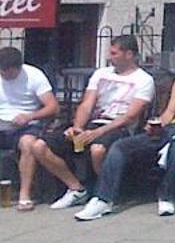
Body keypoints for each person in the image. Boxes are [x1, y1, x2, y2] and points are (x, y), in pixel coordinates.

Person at [75, 44, 175, 220]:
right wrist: (157, 124)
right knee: (121, 146)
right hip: (173, 127)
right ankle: (103, 199)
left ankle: (167, 196)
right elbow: (170, 112)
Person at [46, 35, 155, 208]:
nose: (109, 56)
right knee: (40, 145)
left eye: (114, 53)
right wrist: (77, 127)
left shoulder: (144, 80)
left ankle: (103, 193)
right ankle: (76, 188)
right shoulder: (101, 73)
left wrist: (97, 133)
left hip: (119, 127)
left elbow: (130, 117)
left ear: (129, 54)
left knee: (97, 149)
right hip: (93, 124)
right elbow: (87, 104)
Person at [1, 46, 60, 210]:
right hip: (2, 121)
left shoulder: (34, 76)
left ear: (18, 68)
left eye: (8, 71)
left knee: (27, 144)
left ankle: (24, 194)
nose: (4, 74)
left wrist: (29, 116)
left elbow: (52, 106)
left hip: (26, 122)